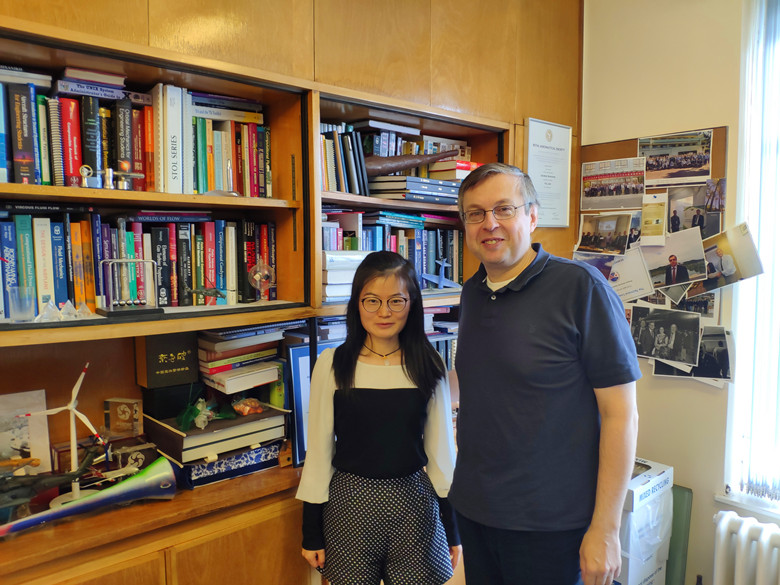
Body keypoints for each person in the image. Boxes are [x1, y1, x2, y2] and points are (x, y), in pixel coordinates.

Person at [451, 163, 641, 585]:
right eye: (475, 213)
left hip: (551, 527)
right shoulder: (472, 292)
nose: (489, 224)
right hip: (476, 511)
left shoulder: (582, 289)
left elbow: (621, 415)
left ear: (532, 216)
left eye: (504, 209)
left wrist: (606, 529)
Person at [296, 251, 461, 585]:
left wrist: (453, 529)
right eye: (372, 301)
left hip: (414, 505)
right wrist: (311, 531)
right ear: (357, 304)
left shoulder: (428, 365)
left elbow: (442, 455)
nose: (384, 312)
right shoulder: (332, 364)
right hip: (349, 505)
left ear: (412, 304)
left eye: (396, 301)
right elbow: (319, 453)